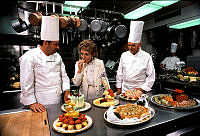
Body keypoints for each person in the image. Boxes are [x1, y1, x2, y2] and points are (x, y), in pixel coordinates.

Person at [19, 16, 70, 112]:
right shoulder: (30, 56)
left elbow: (64, 75)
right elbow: (26, 82)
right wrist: (32, 103)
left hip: (57, 100)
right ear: (46, 43)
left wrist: (67, 90)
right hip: (40, 103)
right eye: (55, 44)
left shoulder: (57, 56)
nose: (58, 47)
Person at [116, 21, 155, 95]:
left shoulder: (146, 56)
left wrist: (142, 89)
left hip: (139, 90)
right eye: (129, 45)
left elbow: (151, 76)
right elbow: (119, 73)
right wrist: (118, 87)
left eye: (133, 45)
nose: (130, 48)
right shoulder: (124, 55)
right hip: (125, 89)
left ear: (139, 44)